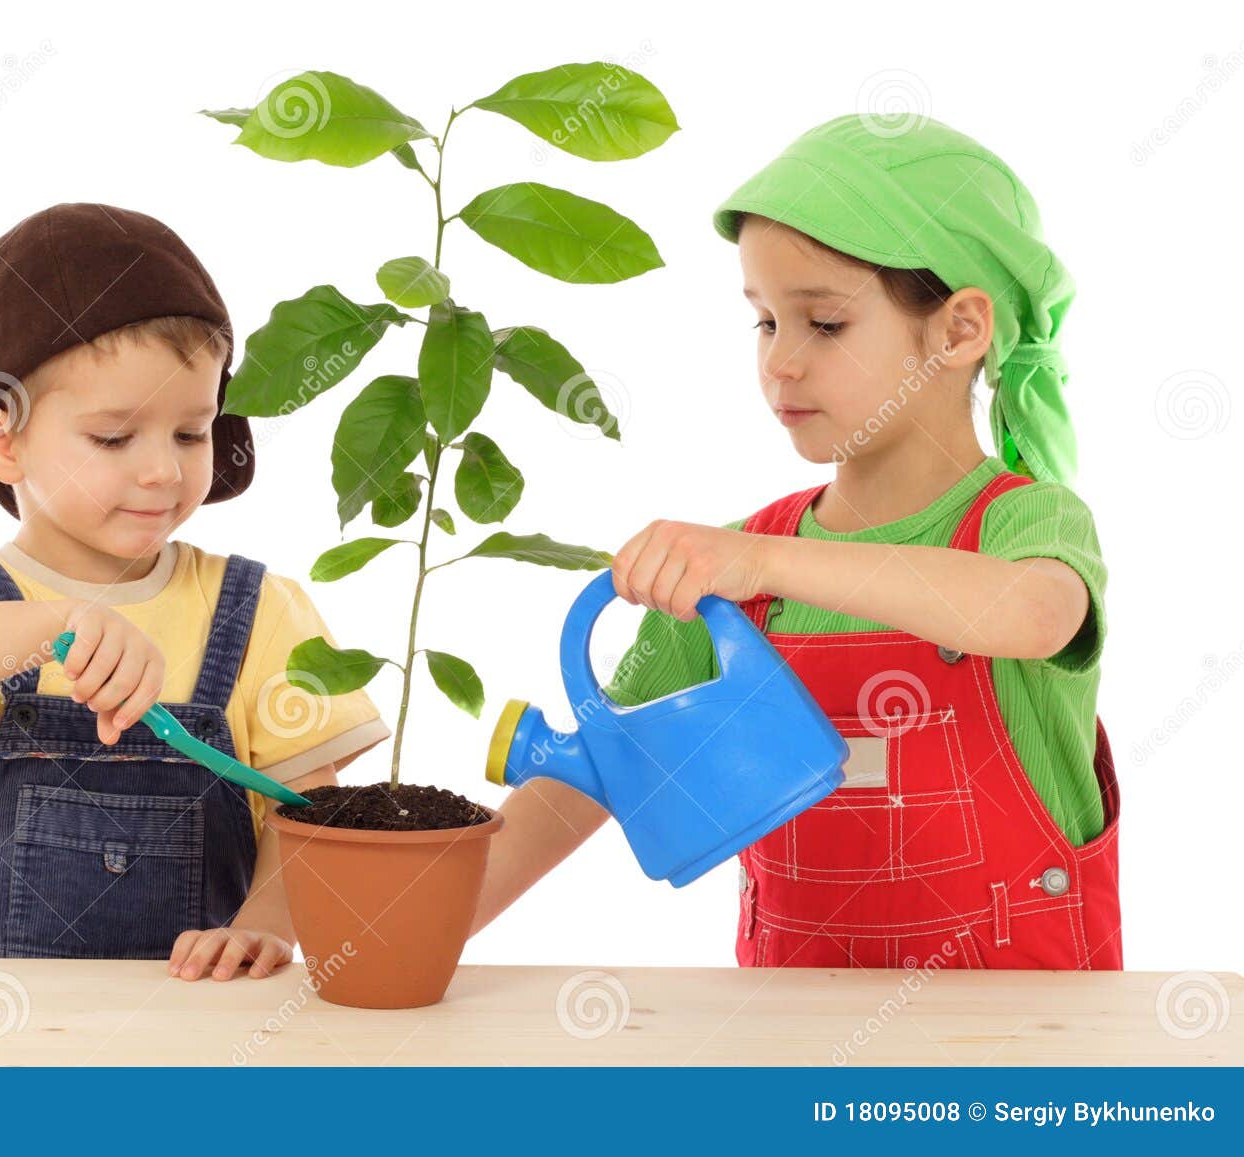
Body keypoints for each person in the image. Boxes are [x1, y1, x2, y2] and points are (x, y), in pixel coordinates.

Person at [474, 116, 1121, 970]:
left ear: (960, 330)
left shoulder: (1028, 525)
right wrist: (365, 920)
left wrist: (762, 563)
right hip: (788, 1041)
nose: (780, 362)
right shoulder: (726, 573)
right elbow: (582, 785)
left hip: (1026, 1043)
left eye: (824, 322)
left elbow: (1030, 613)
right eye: (765, 322)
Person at [0, 203, 389, 977]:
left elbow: (306, 810)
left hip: (202, 1026)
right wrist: (53, 623)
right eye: (114, 437)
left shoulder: (258, 610)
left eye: (192, 432)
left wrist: (265, 927)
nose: (164, 471)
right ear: (1, 438)